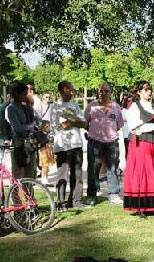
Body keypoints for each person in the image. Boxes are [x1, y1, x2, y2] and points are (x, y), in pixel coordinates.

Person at [123, 81, 154, 214]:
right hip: (140, 144)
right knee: (142, 174)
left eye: (149, 89)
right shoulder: (134, 107)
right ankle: (141, 206)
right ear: (139, 92)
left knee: (153, 173)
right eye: (145, 90)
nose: (149, 91)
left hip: (153, 144)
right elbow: (135, 128)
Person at [85, 83, 123, 206]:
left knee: (113, 168)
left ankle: (114, 194)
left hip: (112, 142)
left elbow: (119, 125)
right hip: (94, 141)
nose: (102, 93)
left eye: (105, 91)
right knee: (93, 169)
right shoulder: (91, 106)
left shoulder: (116, 107)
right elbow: (85, 123)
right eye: (100, 91)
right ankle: (92, 195)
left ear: (110, 93)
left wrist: (109, 132)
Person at [50, 81, 86, 210]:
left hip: (76, 143)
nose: (72, 92)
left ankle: (76, 200)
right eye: (69, 90)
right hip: (62, 146)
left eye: (72, 90)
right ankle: (61, 202)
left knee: (77, 174)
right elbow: (55, 126)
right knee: (62, 174)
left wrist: (72, 122)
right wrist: (70, 122)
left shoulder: (75, 105)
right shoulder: (55, 107)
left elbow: (84, 123)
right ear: (62, 91)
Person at [6, 82, 38, 179]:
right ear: (17, 94)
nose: (26, 96)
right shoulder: (11, 109)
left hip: (30, 144)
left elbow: (36, 122)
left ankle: (29, 193)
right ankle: (18, 194)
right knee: (19, 175)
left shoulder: (26, 107)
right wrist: (31, 126)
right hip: (19, 144)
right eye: (24, 94)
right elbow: (17, 128)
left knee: (30, 173)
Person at [121, 94, 133, 159]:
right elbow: (123, 119)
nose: (130, 102)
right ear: (126, 102)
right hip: (126, 134)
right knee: (127, 150)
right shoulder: (123, 111)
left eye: (131, 101)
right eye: (129, 101)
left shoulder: (134, 110)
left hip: (134, 133)